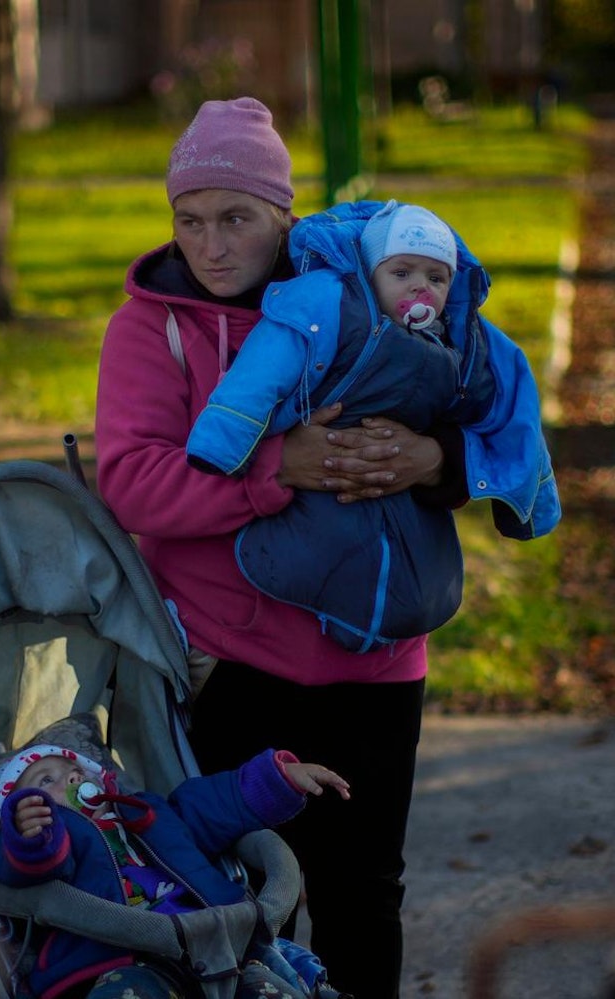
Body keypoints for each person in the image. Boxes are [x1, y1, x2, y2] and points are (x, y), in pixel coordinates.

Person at [94, 96, 483, 999]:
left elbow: (486, 410)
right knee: (237, 904)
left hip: (377, 668)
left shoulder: (380, 294)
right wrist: (278, 468)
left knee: (361, 899)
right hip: (230, 664)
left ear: (285, 214)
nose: (212, 245)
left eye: (237, 218)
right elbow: (134, 483)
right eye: (190, 221)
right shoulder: (150, 330)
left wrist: (437, 459)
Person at [183, 199, 559, 652]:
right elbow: (265, 369)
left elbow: (512, 408)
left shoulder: (463, 338)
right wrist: (225, 441)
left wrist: (458, 466)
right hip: (323, 495)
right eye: (401, 274)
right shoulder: (328, 301)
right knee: (323, 549)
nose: (420, 288)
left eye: (435, 278)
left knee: (415, 585)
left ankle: (375, 621)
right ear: (370, 271)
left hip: (403, 506)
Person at [0, 744, 349, 999]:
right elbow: (19, 867)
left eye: (72, 770)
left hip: (218, 945)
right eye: (45, 781)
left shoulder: (146, 811)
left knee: (268, 978)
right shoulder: (57, 837)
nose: (70, 779)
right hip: (120, 955)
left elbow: (218, 803)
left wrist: (282, 778)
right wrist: (29, 834)